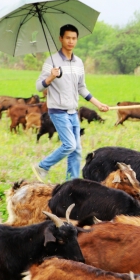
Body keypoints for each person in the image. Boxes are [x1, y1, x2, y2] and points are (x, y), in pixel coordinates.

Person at [31, 24, 109, 182]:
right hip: (57, 111)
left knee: (77, 150)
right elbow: (39, 86)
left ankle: (72, 183)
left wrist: (98, 104)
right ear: (61, 39)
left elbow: (81, 87)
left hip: (73, 111)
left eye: (74, 38)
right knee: (69, 145)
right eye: (67, 38)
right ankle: (43, 166)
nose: (71, 41)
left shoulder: (78, 63)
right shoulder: (51, 61)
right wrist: (51, 77)